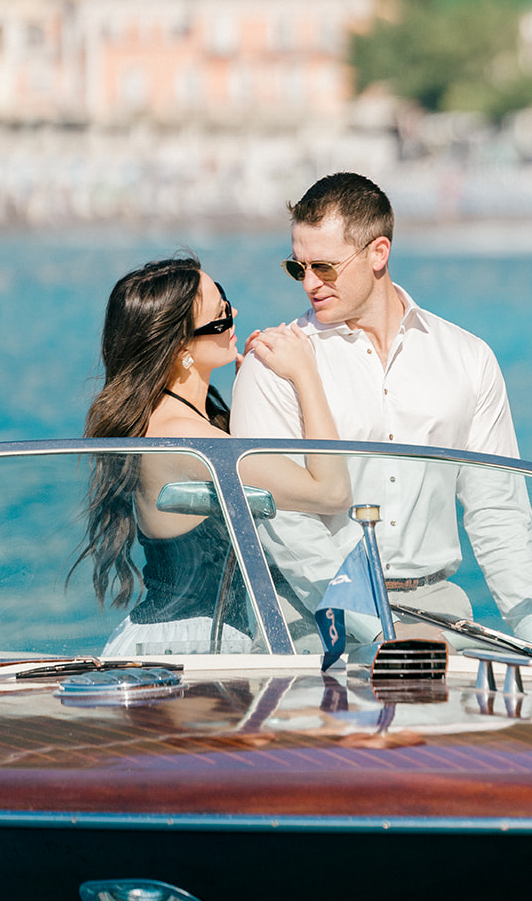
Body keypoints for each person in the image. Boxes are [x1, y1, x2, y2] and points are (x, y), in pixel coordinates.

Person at [230, 172, 532, 647]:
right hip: (312, 620)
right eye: (296, 267)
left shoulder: (468, 357)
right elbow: (281, 522)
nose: (308, 283)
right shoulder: (274, 364)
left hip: (439, 613)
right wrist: (375, 628)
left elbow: (497, 507)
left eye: (323, 267)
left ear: (378, 253)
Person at [79, 254, 350, 654]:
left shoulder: (181, 421)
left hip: (190, 636)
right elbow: (330, 491)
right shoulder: (184, 438)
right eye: (221, 313)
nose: (234, 311)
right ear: (181, 348)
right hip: (188, 646)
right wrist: (304, 373)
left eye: (225, 298)